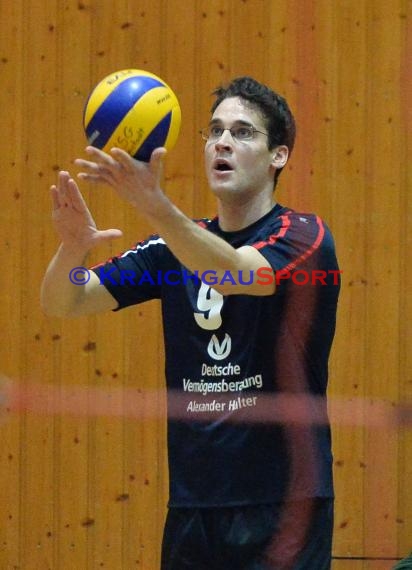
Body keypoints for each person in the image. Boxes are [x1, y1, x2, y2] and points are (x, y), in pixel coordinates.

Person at [41, 76, 340, 569]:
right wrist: (73, 248)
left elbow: (237, 273)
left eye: (243, 133)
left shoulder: (303, 235)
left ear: (278, 157)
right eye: (215, 131)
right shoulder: (170, 249)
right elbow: (66, 301)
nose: (222, 142)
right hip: (193, 503)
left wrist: (155, 206)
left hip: (284, 503)